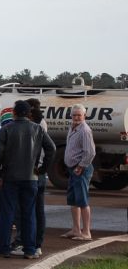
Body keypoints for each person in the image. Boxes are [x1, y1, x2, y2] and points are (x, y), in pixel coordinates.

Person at [0, 100, 55, 259]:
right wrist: (42, 169)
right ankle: (30, 249)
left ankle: (3, 248)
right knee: (29, 214)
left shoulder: (6, 129)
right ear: (29, 114)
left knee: (7, 213)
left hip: (10, 177)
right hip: (31, 177)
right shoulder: (37, 128)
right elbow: (51, 148)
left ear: (14, 113)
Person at [61, 103, 96, 241]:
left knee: (82, 200)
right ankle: (76, 229)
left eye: (79, 115)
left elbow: (90, 152)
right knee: (73, 200)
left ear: (84, 116)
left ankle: (86, 232)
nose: (76, 117)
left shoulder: (84, 130)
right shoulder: (73, 127)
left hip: (80, 169)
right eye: (74, 115)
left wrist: (80, 167)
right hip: (73, 169)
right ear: (71, 115)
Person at [26, 99, 49, 255]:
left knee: (31, 210)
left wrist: (40, 168)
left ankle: (33, 243)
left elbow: (47, 149)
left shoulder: (36, 127)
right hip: (39, 171)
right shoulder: (41, 124)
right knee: (38, 209)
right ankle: (36, 243)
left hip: (34, 171)